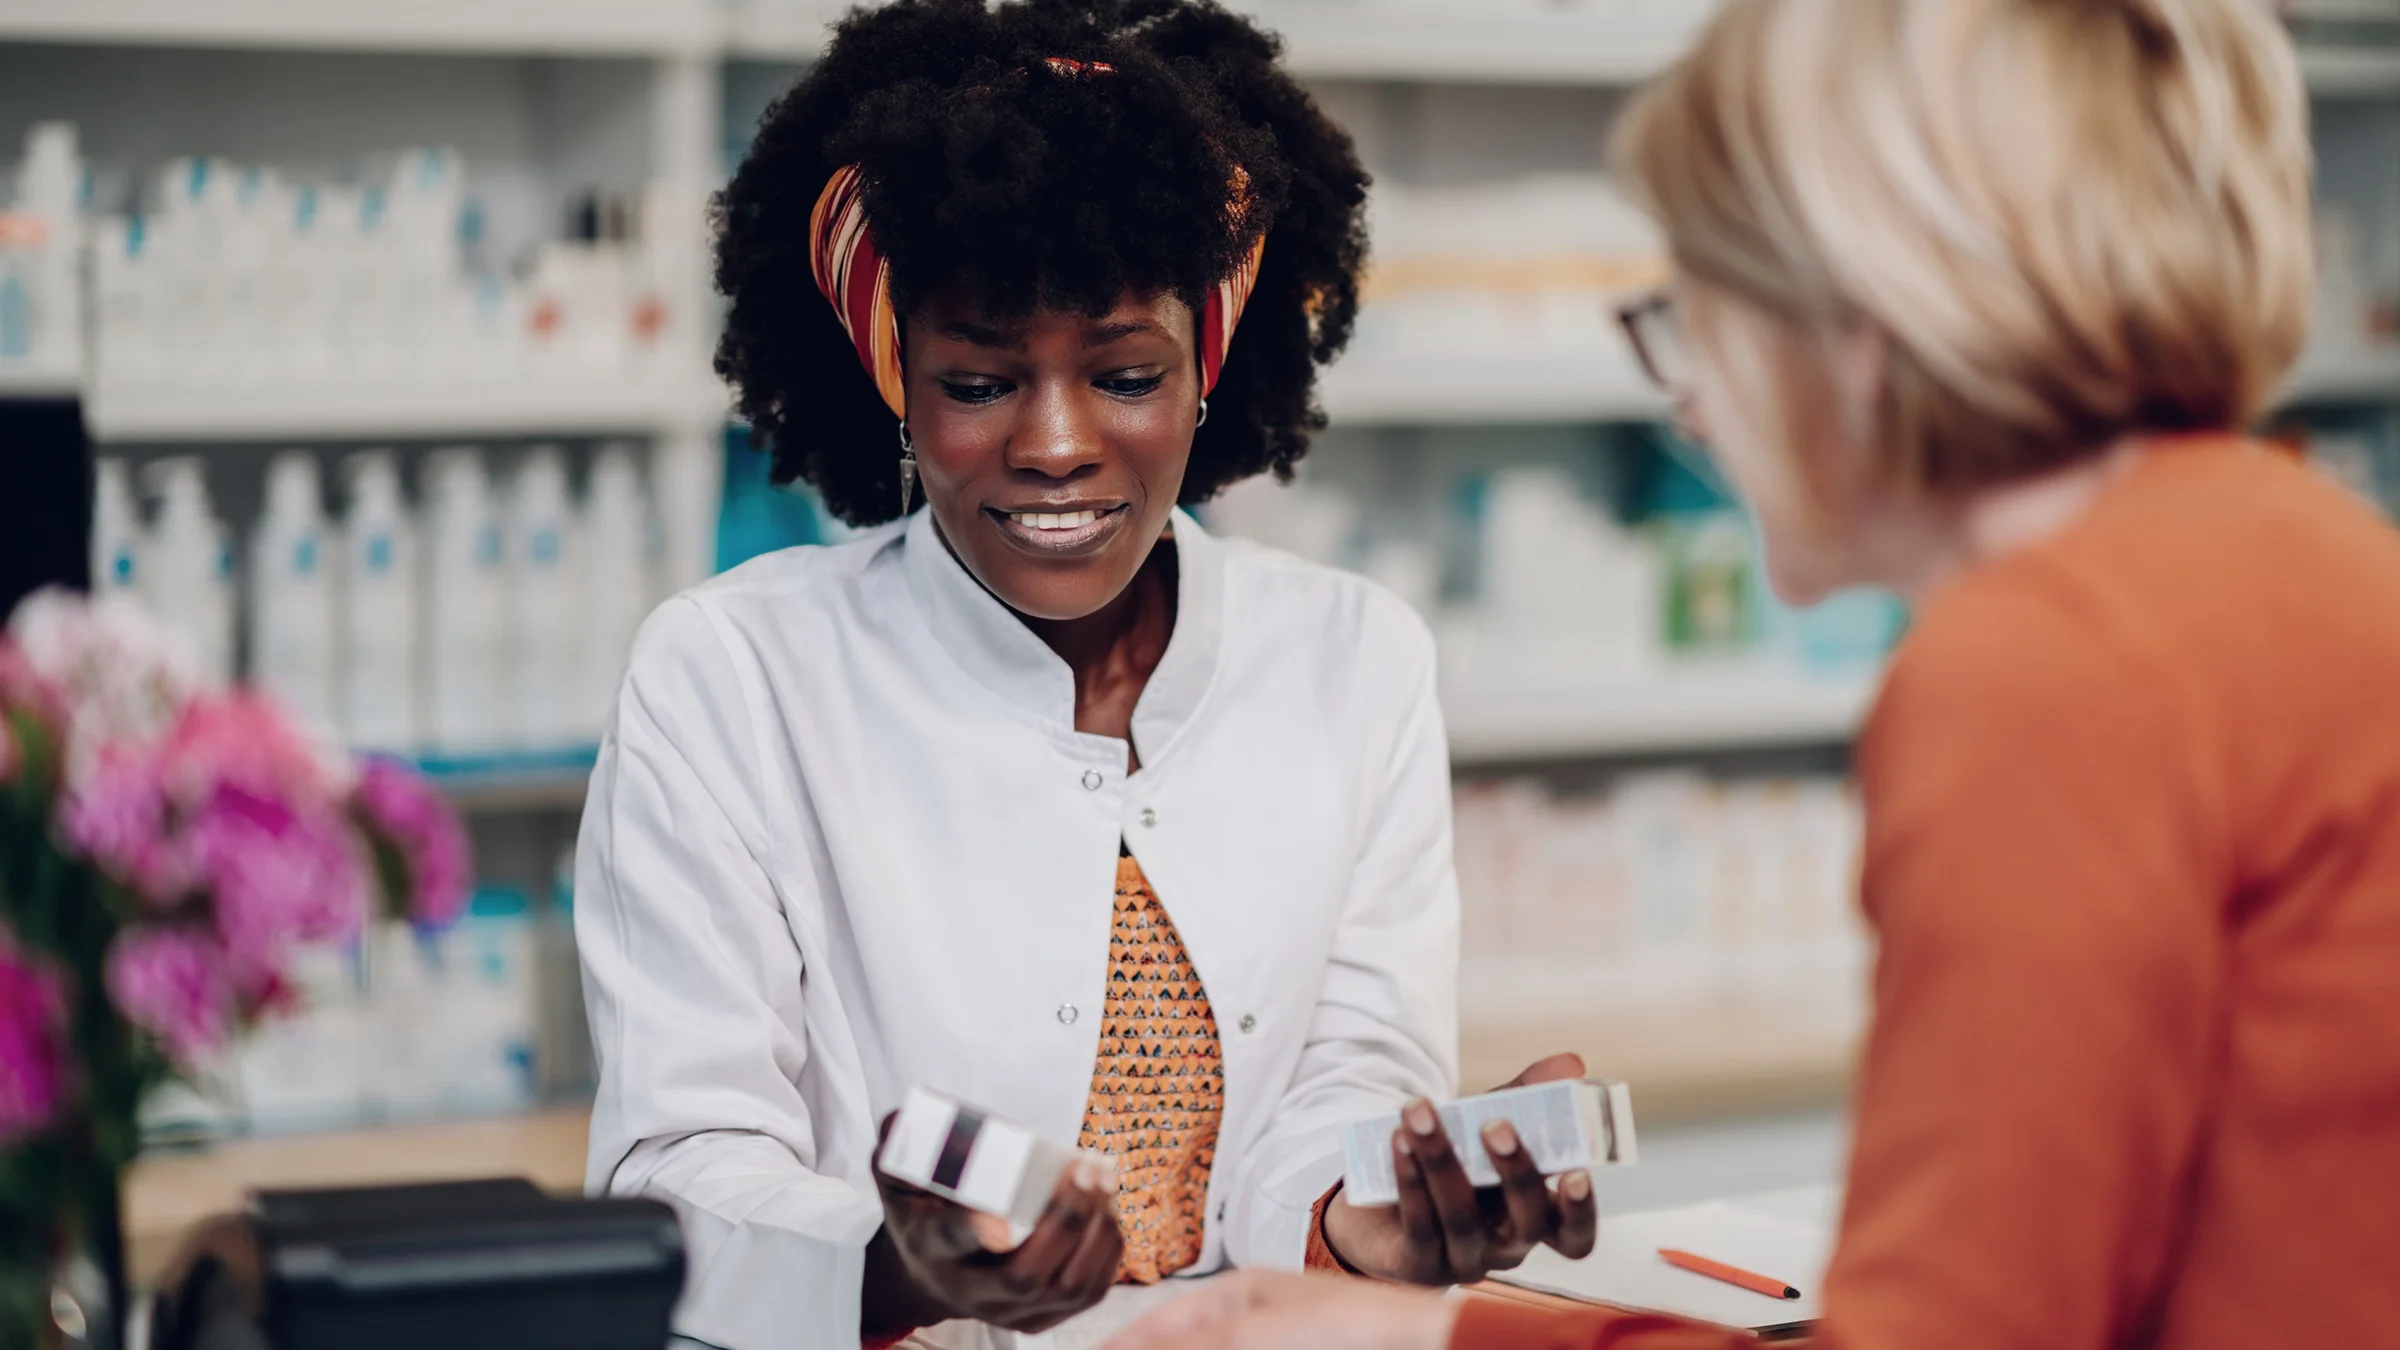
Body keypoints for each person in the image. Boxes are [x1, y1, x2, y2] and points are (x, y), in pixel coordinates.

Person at [1107, 0, 2400, 1347]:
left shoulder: (2050, 663)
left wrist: (1407, 1337)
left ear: (1859, 321)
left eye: (1697, 306)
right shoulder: (2315, 559)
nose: (1690, 403)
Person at [574, 4, 1592, 1348]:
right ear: (895, 380)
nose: (1055, 444)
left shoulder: (1355, 660)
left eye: (1124, 373)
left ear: (1208, 371)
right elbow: (672, 1171)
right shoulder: (731, 679)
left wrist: (1383, 1210)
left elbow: (1349, 1086)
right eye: (981, 379)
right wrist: (901, 1265)